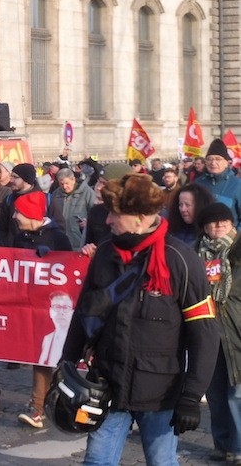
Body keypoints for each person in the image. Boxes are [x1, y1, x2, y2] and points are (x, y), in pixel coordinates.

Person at [61, 174, 219, 466]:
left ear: (141, 218)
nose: (107, 220)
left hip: (160, 393)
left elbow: (205, 333)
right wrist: (66, 363)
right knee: (96, 462)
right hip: (107, 385)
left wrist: (191, 396)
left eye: (115, 214)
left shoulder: (181, 260)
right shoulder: (105, 253)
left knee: (162, 463)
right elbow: (84, 311)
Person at [10, 190, 71, 429]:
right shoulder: (20, 236)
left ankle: (43, 406)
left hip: (54, 307)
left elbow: (69, 267)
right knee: (42, 356)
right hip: (29, 306)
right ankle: (41, 407)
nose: (14, 216)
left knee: (50, 358)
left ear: (31, 215)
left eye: (18, 212)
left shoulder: (57, 238)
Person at [195, 202, 241, 463]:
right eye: (213, 222)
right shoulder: (196, 252)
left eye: (224, 221)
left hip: (237, 329)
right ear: (204, 227)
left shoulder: (237, 247)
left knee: (237, 393)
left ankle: (238, 446)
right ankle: (221, 443)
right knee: (214, 392)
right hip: (208, 330)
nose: (219, 225)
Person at [47, 168, 96, 250]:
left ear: (73, 180)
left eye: (67, 183)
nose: (64, 187)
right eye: (61, 184)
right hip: (60, 242)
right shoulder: (55, 195)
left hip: (80, 242)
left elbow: (95, 213)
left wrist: (89, 222)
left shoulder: (88, 193)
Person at [199, 139, 241, 225]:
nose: (213, 163)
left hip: (231, 237)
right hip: (202, 235)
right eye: (209, 159)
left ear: (226, 163)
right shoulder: (198, 183)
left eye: (218, 159)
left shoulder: (237, 184)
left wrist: (236, 236)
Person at [166, 183, 215, 247]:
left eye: (187, 205)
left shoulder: (211, 234)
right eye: (180, 205)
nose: (183, 209)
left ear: (200, 206)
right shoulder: (172, 229)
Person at [37, 291, 74, 366]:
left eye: (65, 308)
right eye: (57, 307)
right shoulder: (47, 339)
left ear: (72, 312)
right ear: (50, 312)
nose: (61, 312)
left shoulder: (80, 341)